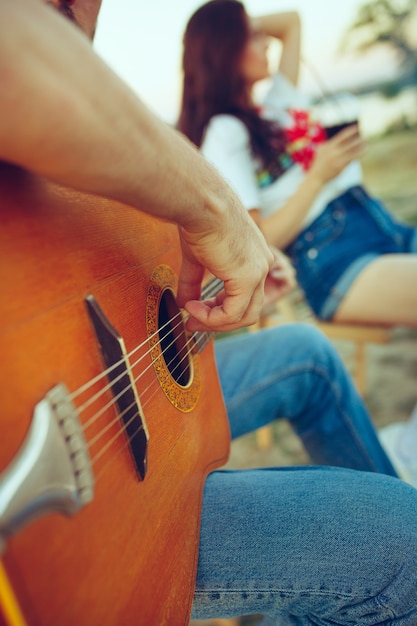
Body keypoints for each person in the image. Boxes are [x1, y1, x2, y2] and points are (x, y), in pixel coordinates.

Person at [2, 2, 417, 624]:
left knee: (306, 353)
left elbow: (94, 310)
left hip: (113, 409)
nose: (87, 14)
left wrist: (190, 319)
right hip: (50, 521)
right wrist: (218, 209)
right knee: (399, 546)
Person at [178, 0, 417, 328]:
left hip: (378, 221)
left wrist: (233, 28)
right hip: (335, 256)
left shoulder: (275, 108)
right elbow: (256, 241)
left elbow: (291, 22)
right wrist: (318, 176)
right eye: (252, 37)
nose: (265, 44)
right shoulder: (225, 130)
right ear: (226, 50)